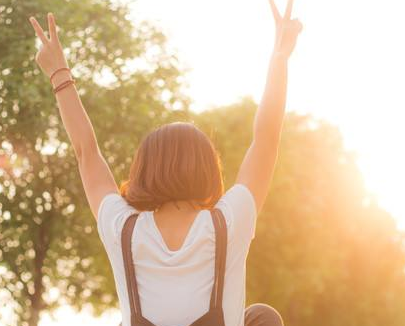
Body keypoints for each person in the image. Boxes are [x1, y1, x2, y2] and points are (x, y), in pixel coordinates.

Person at [29, 0, 302, 325]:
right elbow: (267, 138)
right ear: (208, 171)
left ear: (144, 169)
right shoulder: (229, 223)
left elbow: (86, 152)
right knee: (262, 318)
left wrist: (60, 74)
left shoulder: (123, 228)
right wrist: (280, 58)